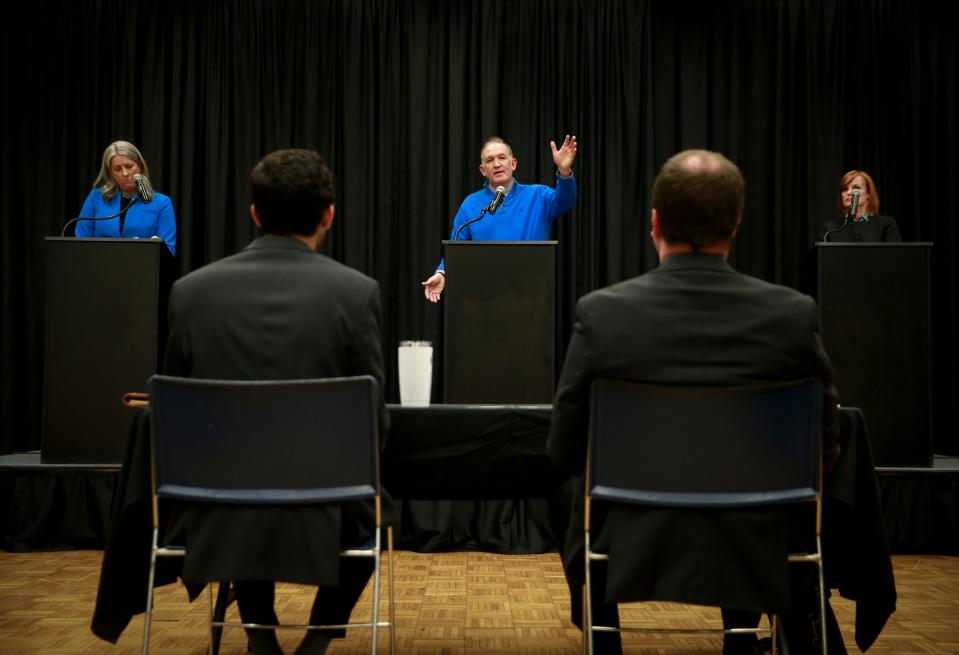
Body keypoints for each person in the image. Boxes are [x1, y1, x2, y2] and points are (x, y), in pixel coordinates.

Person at [547, 149, 840, 655]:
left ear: (655, 223)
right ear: (737, 223)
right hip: (757, 534)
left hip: (630, 533)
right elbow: (825, 449)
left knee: (567, 496)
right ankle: (744, 635)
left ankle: (605, 638)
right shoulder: (792, 315)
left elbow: (564, 449)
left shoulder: (602, 315)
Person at [163, 148, 388, 655]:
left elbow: (175, 415)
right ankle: (314, 643)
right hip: (325, 505)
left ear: (255, 214)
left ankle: (260, 634)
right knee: (371, 513)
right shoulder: (357, 294)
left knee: (246, 499)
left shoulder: (190, 293)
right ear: (329, 214)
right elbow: (372, 420)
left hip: (214, 505)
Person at [421, 135, 579, 302]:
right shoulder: (471, 204)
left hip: (531, 294)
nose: (496, 164)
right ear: (483, 170)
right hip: (483, 297)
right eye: (490, 160)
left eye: (502, 158)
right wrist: (442, 273)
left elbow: (565, 201)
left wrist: (564, 172)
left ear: (513, 164)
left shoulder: (537, 195)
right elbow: (455, 248)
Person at [76, 140, 177, 256]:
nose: (125, 173)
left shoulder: (161, 203)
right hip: (99, 268)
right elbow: (80, 242)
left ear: (139, 166)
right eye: (117, 169)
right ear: (110, 173)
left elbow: (170, 251)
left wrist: (157, 247)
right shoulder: (96, 198)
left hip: (142, 269)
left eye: (129, 166)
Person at [819, 169, 902, 242]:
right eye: (844, 189)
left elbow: (896, 257)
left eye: (856, 188)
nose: (848, 193)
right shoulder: (830, 229)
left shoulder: (885, 225)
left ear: (868, 194)